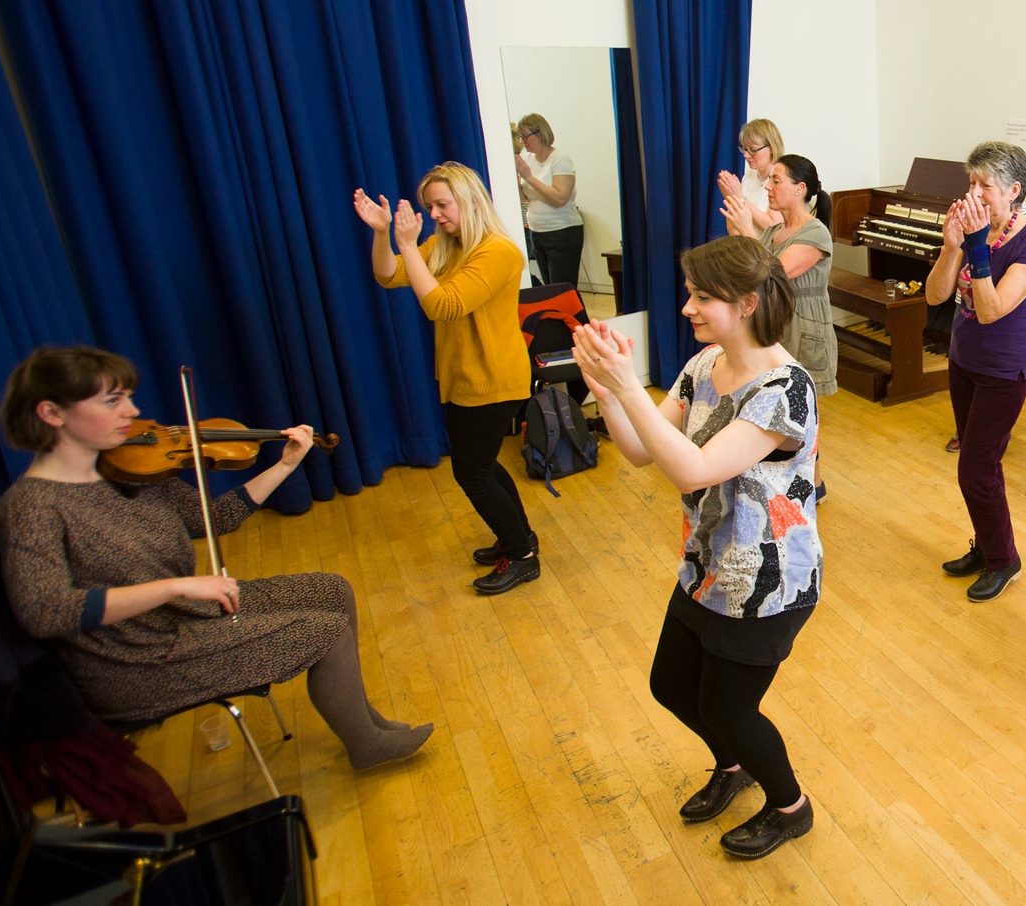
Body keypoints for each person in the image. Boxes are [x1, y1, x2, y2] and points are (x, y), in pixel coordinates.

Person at [0, 346, 432, 771]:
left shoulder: (131, 469)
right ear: (52, 414)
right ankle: (368, 745)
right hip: (136, 663)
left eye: (126, 396)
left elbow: (215, 517)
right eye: (112, 400)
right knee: (325, 631)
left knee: (331, 590)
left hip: (186, 617)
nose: (131, 410)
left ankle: (364, 720)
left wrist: (285, 466)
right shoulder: (31, 506)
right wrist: (175, 586)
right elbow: (45, 612)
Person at [571, 236, 820, 860]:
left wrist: (629, 387)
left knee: (732, 709)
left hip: (767, 581)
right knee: (672, 686)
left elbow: (694, 470)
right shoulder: (703, 366)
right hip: (707, 565)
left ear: (748, 304)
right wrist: (607, 390)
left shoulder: (786, 390)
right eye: (691, 293)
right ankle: (732, 767)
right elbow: (637, 450)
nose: (688, 307)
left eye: (702, 296)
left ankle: (791, 807)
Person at [354, 162, 539, 594]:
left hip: (493, 378)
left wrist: (409, 245)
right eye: (429, 206)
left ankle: (524, 556)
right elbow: (387, 275)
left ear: (469, 200)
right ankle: (519, 537)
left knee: (472, 472)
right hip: (462, 376)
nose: (434, 214)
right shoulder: (446, 244)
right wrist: (384, 235)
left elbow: (444, 305)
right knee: (483, 466)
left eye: (441, 205)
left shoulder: (498, 251)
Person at [926, 141, 1026, 602]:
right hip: (963, 362)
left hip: (1004, 371)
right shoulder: (973, 231)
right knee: (979, 467)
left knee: (976, 469)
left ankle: (1004, 560)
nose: (974, 193)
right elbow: (935, 296)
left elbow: (993, 309)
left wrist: (976, 246)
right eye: (971, 182)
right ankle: (985, 547)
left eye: (986, 185)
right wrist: (951, 246)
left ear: (1014, 190)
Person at [722, 153, 835, 498]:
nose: (768, 187)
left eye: (776, 180)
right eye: (768, 179)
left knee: (801, 412)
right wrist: (739, 235)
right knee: (779, 408)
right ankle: (794, 481)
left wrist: (745, 229)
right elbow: (747, 269)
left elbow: (772, 274)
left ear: (800, 189)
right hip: (776, 326)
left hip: (805, 327)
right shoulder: (772, 230)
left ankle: (813, 484)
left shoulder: (815, 232)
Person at [513, 113, 584, 287]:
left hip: (562, 232)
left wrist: (528, 177)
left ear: (539, 134)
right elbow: (525, 199)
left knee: (562, 289)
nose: (522, 141)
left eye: (525, 136)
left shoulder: (560, 158)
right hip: (537, 232)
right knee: (550, 289)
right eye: (520, 137)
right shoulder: (528, 159)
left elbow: (560, 198)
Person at [716, 118, 785, 232]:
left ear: (772, 148)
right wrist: (732, 197)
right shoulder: (750, 175)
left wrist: (739, 198)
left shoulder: (781, 179)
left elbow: (773, 228)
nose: (746, 155)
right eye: (744, 149)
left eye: (753, 150)